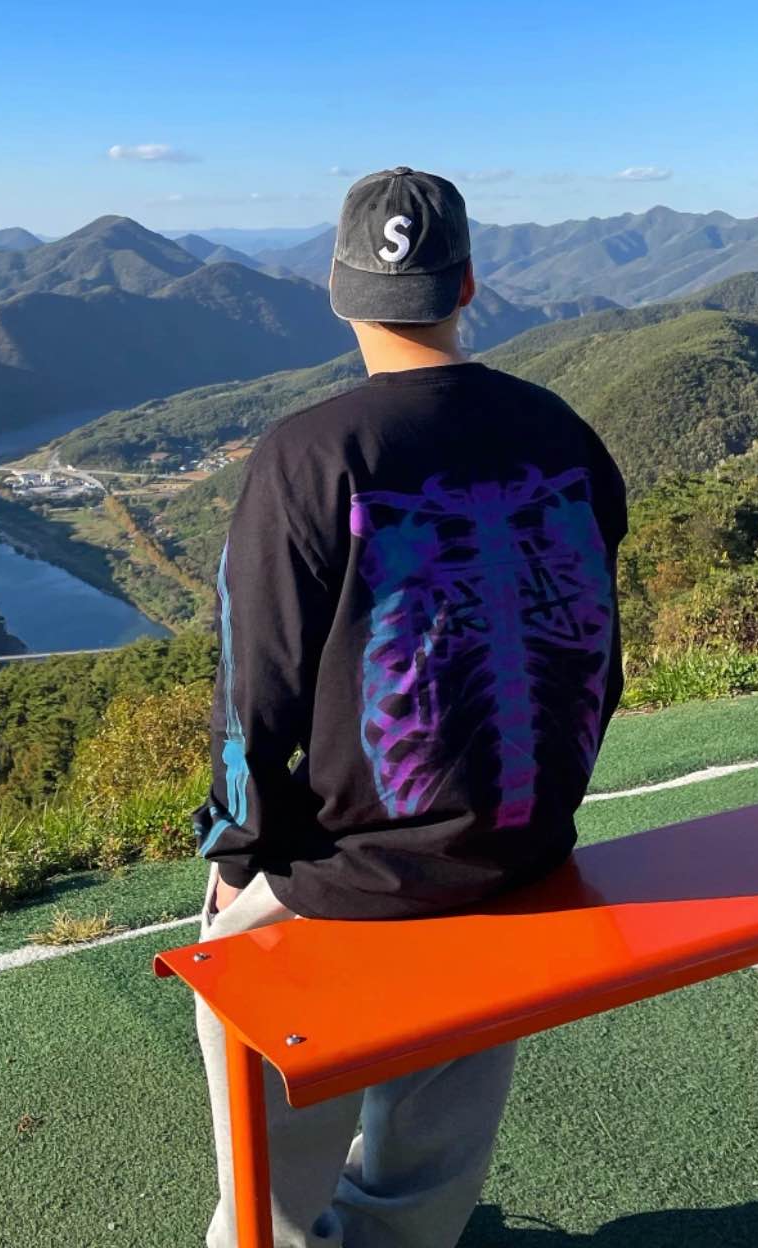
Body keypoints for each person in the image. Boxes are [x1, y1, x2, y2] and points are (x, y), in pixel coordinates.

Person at [190, 167, 628, 1248]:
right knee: (441, 1113)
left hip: (354, 877)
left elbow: (256, 697)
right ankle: (406, 1230)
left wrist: (236, 856)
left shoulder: (308, 454)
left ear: (337, 291)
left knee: (267, 1137)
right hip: (518, 849)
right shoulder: (559, 430)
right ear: (468, 284)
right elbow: (593, 645)